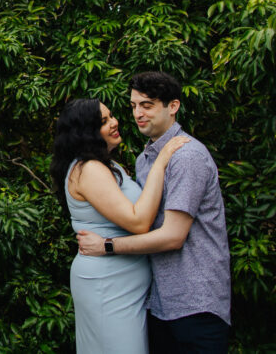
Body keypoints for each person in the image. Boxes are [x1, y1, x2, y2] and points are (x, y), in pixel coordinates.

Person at [77, 71, 231, 353]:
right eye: (134, 106)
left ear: (172, 107)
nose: (138, 114)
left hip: (195, 304)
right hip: (160, 304)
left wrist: (106, 246)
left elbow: (173, 236)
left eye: (147, 105)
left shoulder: (187, 156)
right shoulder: (145, 159)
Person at [51, 98, 189, 354]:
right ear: (86, 132)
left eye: (111, 116)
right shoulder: (89, 169)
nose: (115, 123)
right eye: (103, 121)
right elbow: (138, 222)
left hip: (123, 285)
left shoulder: (106, 165)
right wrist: (161, 162)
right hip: (107, 285)